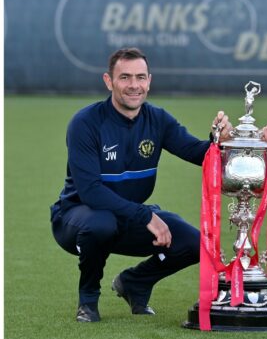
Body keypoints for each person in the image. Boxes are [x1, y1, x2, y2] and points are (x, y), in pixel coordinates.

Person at [49, 47, 235, 322]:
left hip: (128, 215)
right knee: (101, 224)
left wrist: (218, 140)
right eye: (124, 77)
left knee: (194, 243)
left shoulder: (157, 119)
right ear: (108, 81)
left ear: (149, 80)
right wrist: (146, 215)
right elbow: (90, 192)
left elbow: (199, 154)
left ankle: (135, 282)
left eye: (140, 77)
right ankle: (88, 298)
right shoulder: (85, 123)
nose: (134, 85)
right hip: (77, 217)